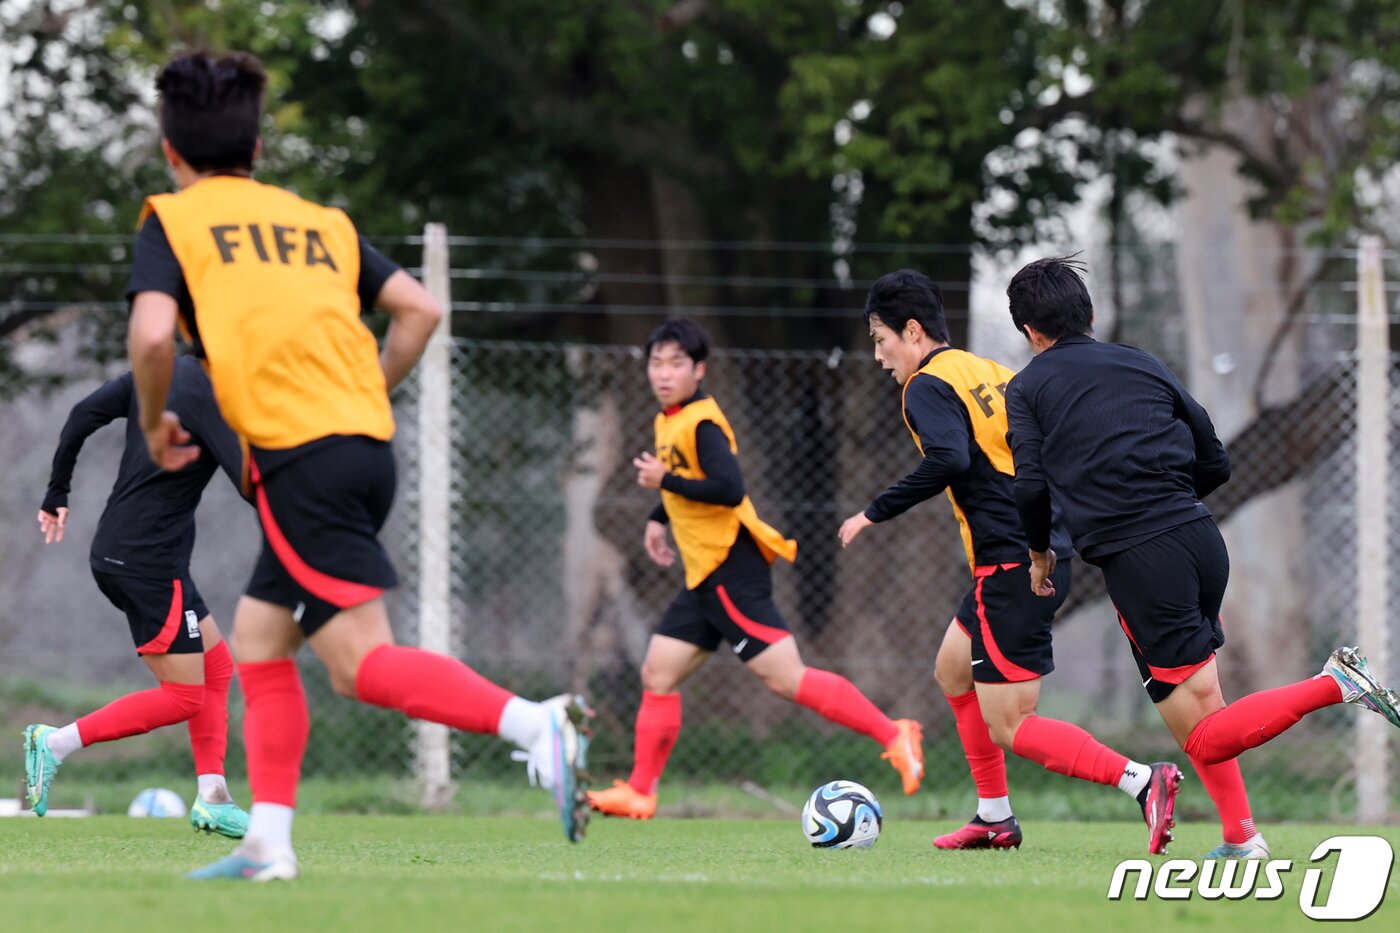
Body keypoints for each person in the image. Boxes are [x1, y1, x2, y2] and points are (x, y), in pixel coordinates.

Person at [124, 51, 589, 881]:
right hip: (362, 450)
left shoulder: (173, 218)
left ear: (170, 149)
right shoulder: (319, 222)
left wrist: (158, 421)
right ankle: (267, 840)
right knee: (262, 641)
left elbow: (154, 334)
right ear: (260, 148)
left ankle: (535, 725)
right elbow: (419, 308)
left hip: (303, 460)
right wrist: (361, 395)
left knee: (360, 664)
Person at [1004, 255, 1400, 859]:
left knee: (1205, 737)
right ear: (1088, 314)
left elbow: (1029, 487)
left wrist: (1040, 555)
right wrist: (1173, 504)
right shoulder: (1139, 361)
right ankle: (1242, 837)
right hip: (1199, 537)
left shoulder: (1028, 387)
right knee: (1198, 704)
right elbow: (1214, 457)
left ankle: (1335, 683)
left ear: (1030, 332)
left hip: (1143, 561)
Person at [838, 270, 1180, 853]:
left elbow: (946, 459)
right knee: (952, 669)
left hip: (1011, 564)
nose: (878, 355)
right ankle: (994, 816)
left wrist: (873, 512)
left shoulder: (924, 385)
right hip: (1038, 551)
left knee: (1011, 723)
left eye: (880, 339)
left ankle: (1143, 782)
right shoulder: (987, 371)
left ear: (913, 331)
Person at [586, 318, 923, 820]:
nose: (664, 372)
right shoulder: (669, 419)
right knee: (658, 673)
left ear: (698, 370)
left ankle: (893, 732)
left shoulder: (701, 422)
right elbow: (686, 482)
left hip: (730, 570)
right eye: (657, 362)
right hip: (703, 575)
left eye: (676, 363)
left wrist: (665, 482)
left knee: (787, 679)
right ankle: (640, 791)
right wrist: (660, 517)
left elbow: (727, 489)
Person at [24, 357, 249, 838]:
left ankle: (213, 797)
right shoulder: (211, 394)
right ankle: (55, 743)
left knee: (216, 665)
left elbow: (83, 413)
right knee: (186, 696)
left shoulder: (163, 371)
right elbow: (251, 483)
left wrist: (56, 491)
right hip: (147, 564)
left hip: (132, 553)